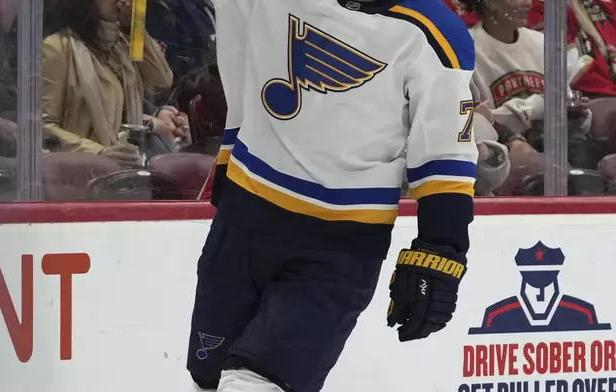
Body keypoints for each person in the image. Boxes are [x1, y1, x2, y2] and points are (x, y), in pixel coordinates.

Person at [188, 1, 478, 391]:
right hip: (242, 220)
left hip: (337, 249)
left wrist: (442, 248)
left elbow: (446, 155)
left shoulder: (435, 33)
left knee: (253, 384)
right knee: (206, 380)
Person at [42, 0, 176, 166]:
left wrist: (135, 25)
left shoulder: (122, 44)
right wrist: (98, 153)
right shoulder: (57, 49)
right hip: (83, 172)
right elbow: (44, 127)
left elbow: (162, 80)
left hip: (126, 166)